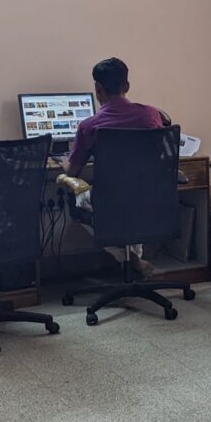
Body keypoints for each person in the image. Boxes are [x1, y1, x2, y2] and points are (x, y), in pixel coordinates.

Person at [63, 57, 164, 276]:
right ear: (127, 86)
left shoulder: (89, 126)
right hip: (148, 197)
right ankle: (134, 260)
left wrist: (64, 163)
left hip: (110, 202)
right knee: (129, 203)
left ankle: (130, 260)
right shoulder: (150, 115)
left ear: (97, 89)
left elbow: (73, 172)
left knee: (79, 198)